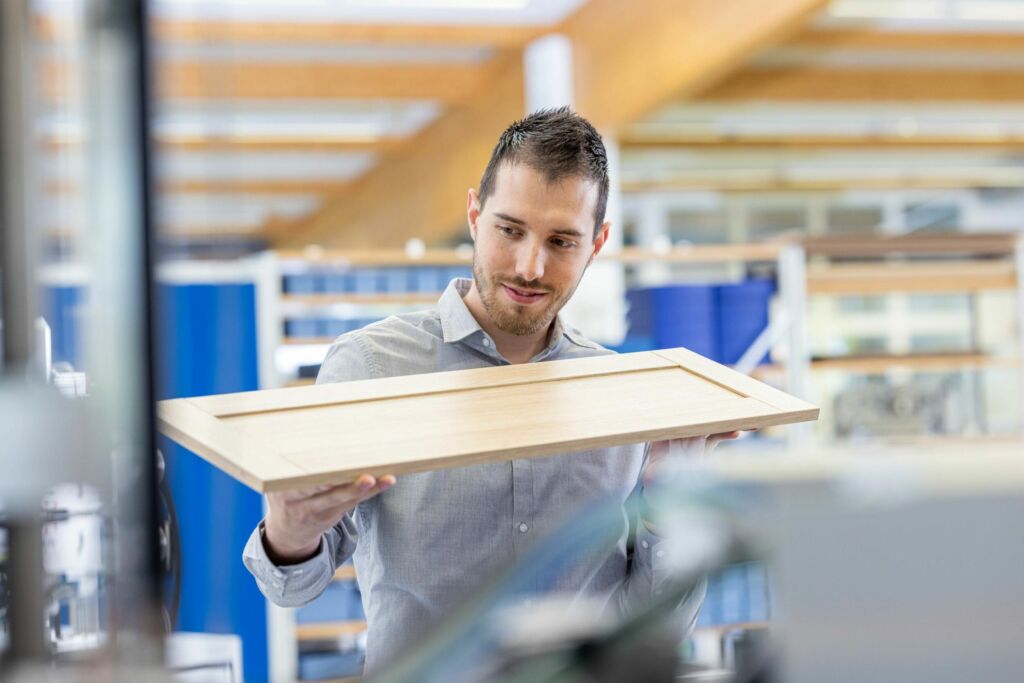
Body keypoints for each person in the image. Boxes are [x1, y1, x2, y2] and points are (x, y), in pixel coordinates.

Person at [243, 107, 738, 676]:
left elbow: (659, 624)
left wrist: (670, 509)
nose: (531, 266)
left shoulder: (618, 394)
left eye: (561, 241)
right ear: (475, 213)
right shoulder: (372, 368)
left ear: (597, 244)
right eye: (511, 230)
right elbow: (290, 589)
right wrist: (290, 534)